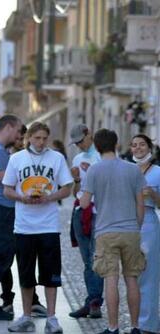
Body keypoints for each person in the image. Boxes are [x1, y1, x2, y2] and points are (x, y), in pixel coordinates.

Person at [3, 122, 73, 334]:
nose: (41, 142)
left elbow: (68, 187)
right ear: (29, 138)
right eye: (37, 138)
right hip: (24, 227)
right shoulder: (16, 159)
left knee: (51, 274)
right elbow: (7, 189)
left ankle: (51, 317)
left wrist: (50, 197)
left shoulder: (57, 158)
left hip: (49, 225)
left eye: (44, 138)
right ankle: (26, 316)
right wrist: (22, 198)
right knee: (25, 274)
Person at [81, 129, 146, 334]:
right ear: (117, 144)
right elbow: (140, 203)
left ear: (97, 147)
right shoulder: (133, 169)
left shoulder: (94, 170)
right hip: (131, 231)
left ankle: (113, 328)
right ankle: (136, 328)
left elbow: (84, 203)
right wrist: (136, 226)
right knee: (132, 278)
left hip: (106, 231)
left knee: (110, 279)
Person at [0, 115, 45, 321]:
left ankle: (1, 301)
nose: (19, 135)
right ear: (8, 128)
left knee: (4, 256)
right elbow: (6, 180)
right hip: (2, 209)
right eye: (18, 131)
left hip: (2, 208)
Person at [67, 124, 104, 319]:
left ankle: (95, 302)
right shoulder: (77, 158)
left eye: (81, 141)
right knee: (86, 260)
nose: (79, 146)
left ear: (89, 135)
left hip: (98, 212)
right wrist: (76, 180)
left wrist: (92, 172)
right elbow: (77, 191)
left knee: (95, 259)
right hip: (81, 210)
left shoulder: (101, 156)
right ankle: (91, 300)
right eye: (76, 143)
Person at [129, 134, 160, 334]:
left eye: (142, 144)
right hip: (129, 222)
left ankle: (148, 323)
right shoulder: (128, 170)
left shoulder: (157, 172)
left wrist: (153, 194)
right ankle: (135, 321)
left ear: (150, 148)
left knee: (149, 273)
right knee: (133, 273)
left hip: (148, 221)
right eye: (134, 145)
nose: (138, 148)